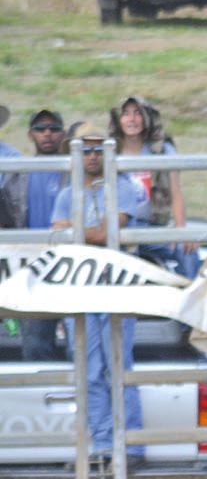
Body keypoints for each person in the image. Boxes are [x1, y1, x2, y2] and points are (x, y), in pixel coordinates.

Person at [50, 126, 150, 459]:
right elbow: (58, 233)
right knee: (91, 369)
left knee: (119, 365)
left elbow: (111, 230)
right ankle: (104, 444)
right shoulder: (67, 194)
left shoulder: (122, 188)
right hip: (80, 289)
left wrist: (78, 232)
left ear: (109, 153)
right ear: (76, 154)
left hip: (117, 288)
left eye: (98, 150)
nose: (92, 156)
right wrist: (93, 232)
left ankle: (131, 444)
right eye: (86, 150)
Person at [111, 96, 195, 279]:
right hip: (121, 227)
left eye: (137, 113)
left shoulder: (162, 150)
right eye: (125, 114)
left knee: (186, 249)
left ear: (147, 118)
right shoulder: (109, 151)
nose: (131, 119)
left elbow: (176, 192)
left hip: (154, 226)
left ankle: (191, 299)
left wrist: (181, 229)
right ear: (118, 119)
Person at [19, 109, 67, 361]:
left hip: (73, 265)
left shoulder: (74, 172)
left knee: (79, 343)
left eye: (53, 128)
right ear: (30, 135)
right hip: (33, 266)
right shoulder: (19, 173)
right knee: (35, 344)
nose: (47, 133)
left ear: (63, 134)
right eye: (40, 129)